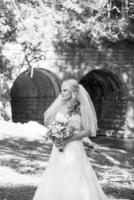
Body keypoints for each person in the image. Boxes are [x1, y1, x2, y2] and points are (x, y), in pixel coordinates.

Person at [32, 79, 107, 200]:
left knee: (75, 173)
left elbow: (88, 131)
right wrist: (52, 133)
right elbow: (55, 125)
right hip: (58, 146)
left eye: (65, 90)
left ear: (74, 92)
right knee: (56, 172)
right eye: (61, 90)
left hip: (73, 147)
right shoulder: (60, 106)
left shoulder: (81, 108)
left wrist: (68, 139)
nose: (61, 93)